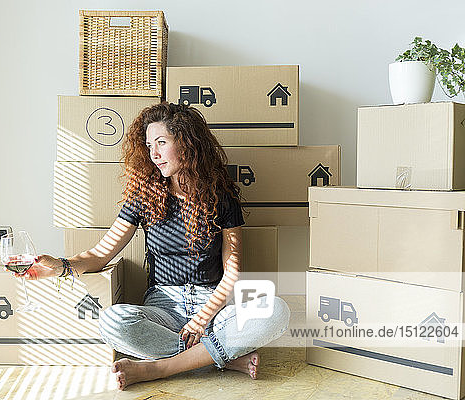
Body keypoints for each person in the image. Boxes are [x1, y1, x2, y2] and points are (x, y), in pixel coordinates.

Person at [21, 102, 290, 390]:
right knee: (111, 321)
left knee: (277, 310)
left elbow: (232, 273)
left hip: (213, 308)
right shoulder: (145, 197)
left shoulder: (221, 199)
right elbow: (101, 254)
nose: (154, 153)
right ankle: (219, 358)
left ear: (187, 144)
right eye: (149, 145)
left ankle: (159, 368)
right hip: (164, 308)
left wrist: (202, 318)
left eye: (161, 142)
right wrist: (60, 266)